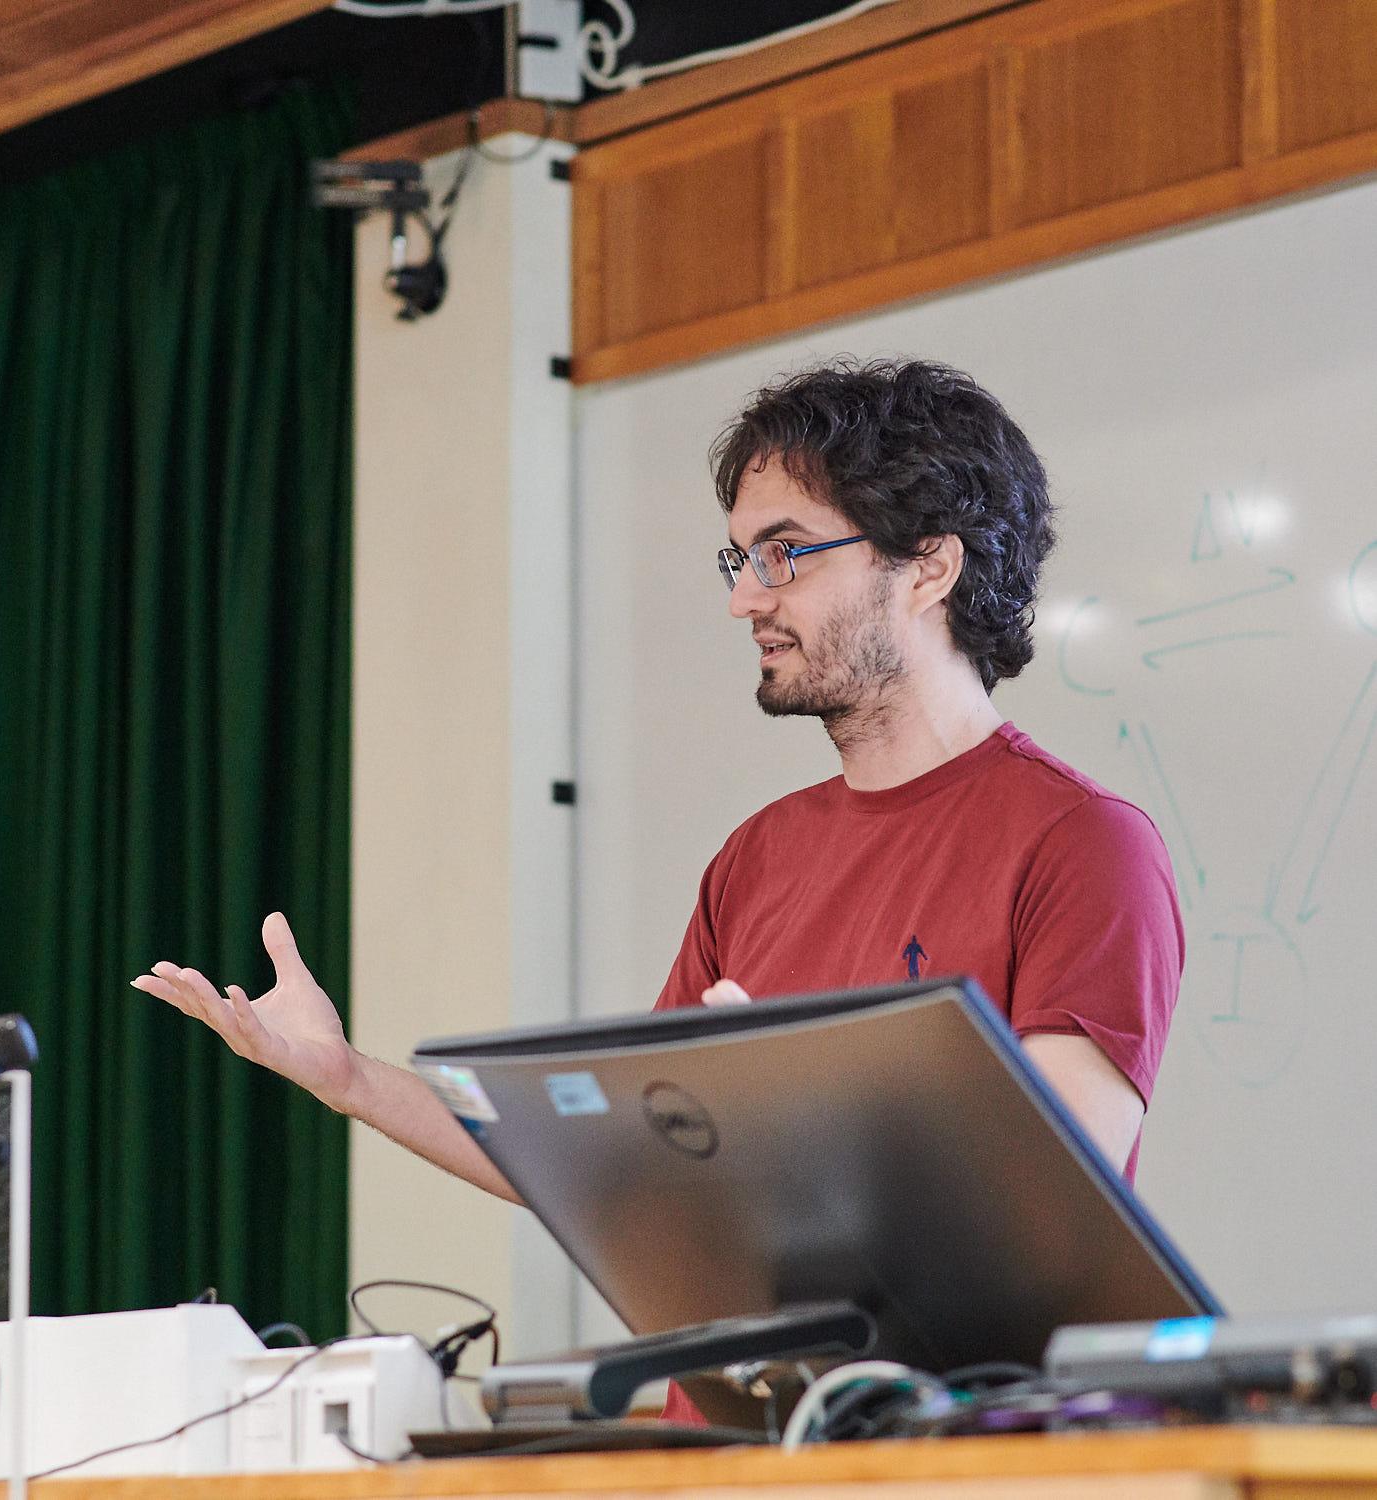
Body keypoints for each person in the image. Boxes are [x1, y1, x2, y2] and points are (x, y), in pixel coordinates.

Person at [133, 359, 1182, 1385]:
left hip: (933, 1454)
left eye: (784, 554)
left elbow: (1046, 1213)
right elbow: (612, 1171)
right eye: (740, 562)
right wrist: (352, 1081)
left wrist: (780, 1134)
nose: (745, 602)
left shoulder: (1080, 841)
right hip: (719, 1450)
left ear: (927, 568)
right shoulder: (755, 856)